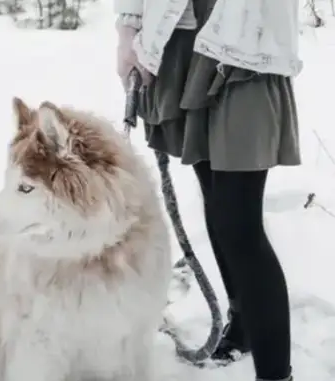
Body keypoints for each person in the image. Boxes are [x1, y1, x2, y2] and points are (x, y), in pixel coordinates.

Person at [114, 0, 301, 381]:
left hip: (247, 44)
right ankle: (244, 325)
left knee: (239, 224)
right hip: (179, 40)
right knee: (217, 204)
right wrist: (129, 34)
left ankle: (275, 375)